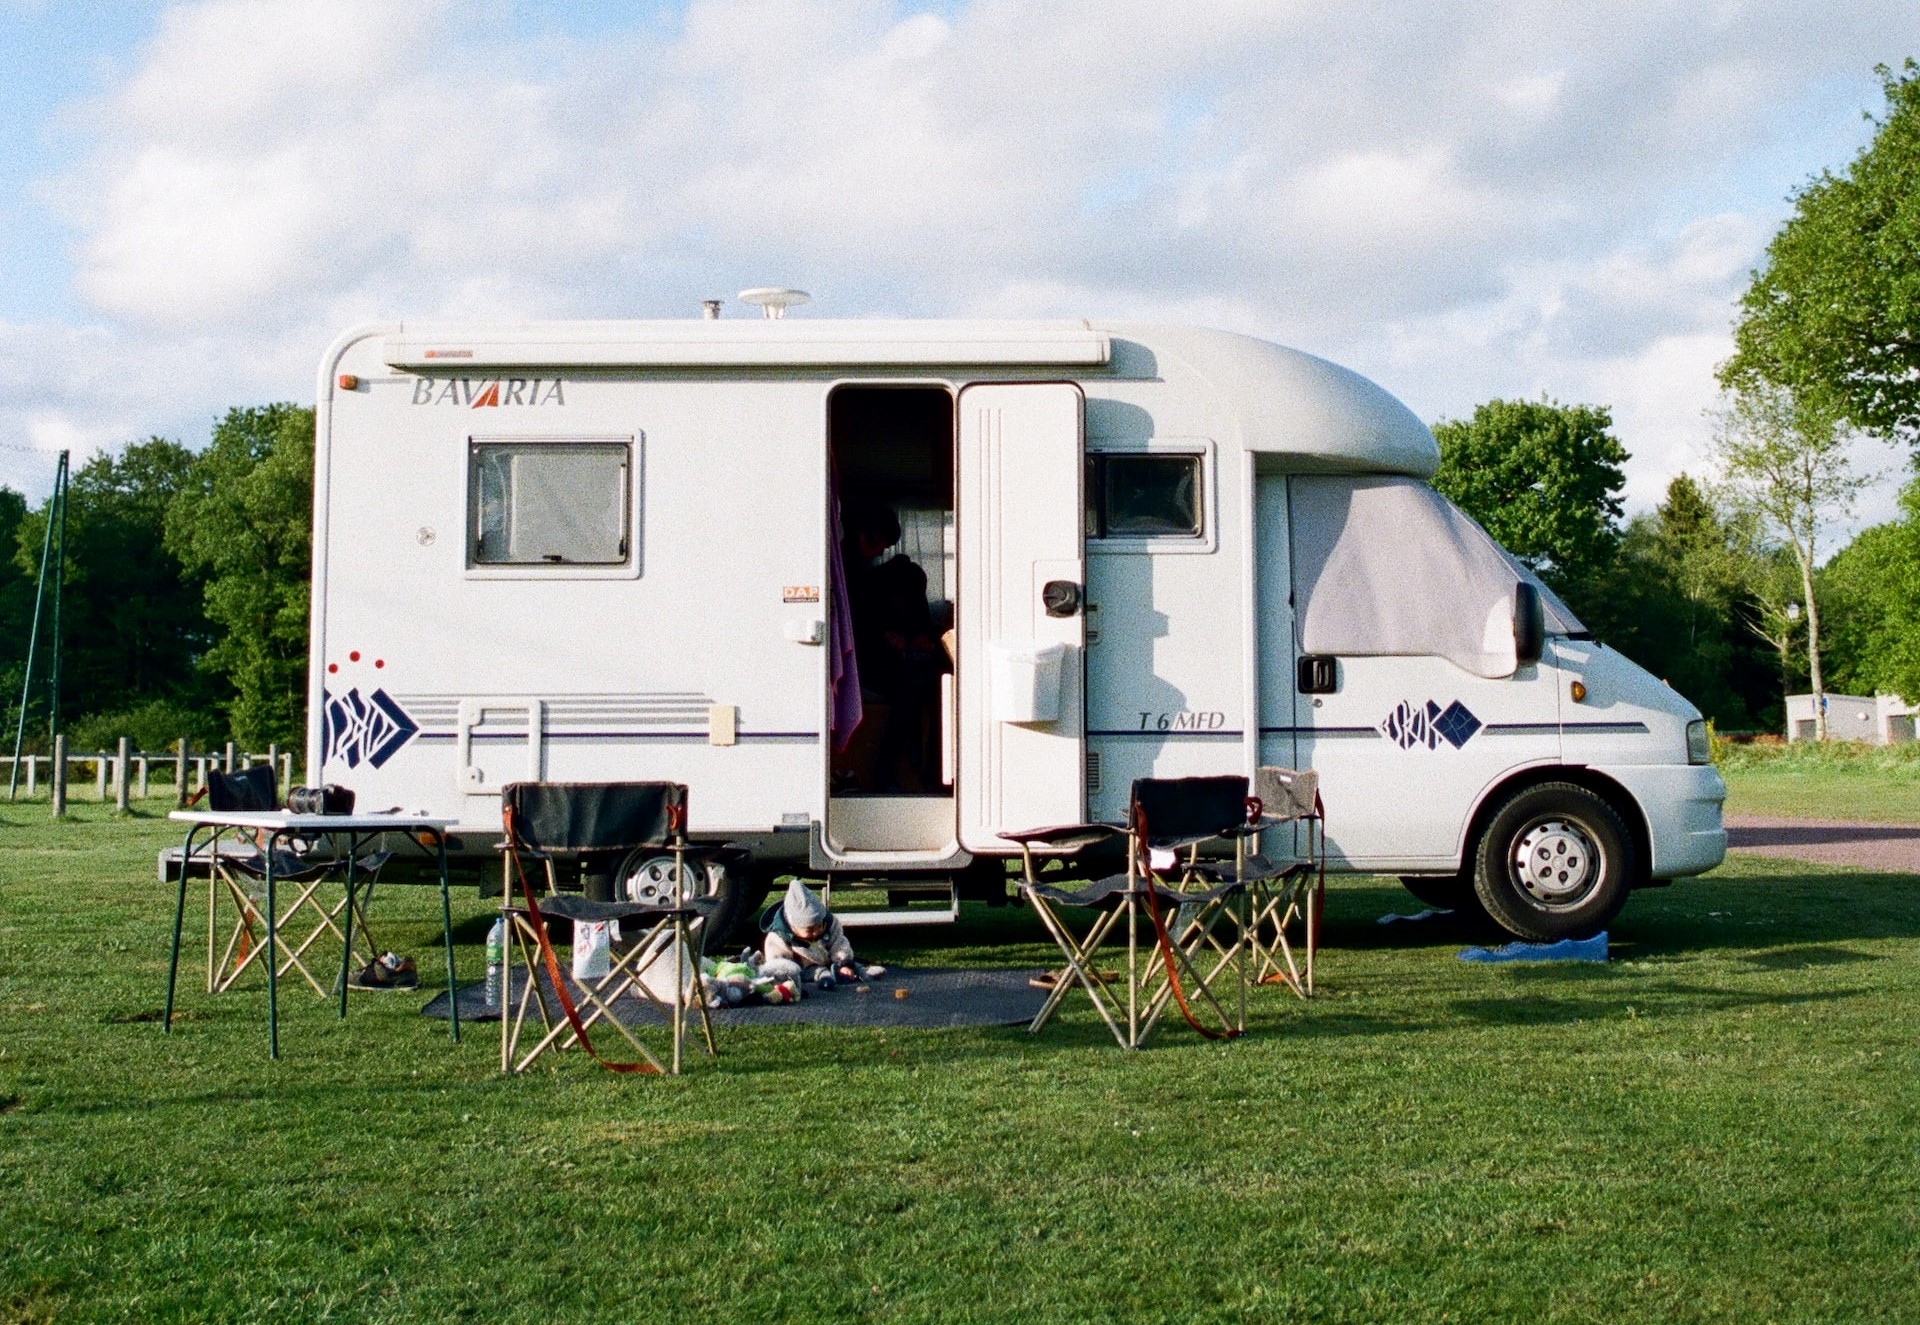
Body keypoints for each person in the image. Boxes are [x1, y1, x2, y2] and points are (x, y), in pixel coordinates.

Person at [761, 880, 882, 989]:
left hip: (832, 961)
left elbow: (839, 943)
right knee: (817, 971)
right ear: (793, 927)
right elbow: (778, 963)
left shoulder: (831, 924)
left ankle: (862, 972)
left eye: (819, 926)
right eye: (809, 930)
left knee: (851, 964)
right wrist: (785, 979)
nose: (815, 932)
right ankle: (826, 977)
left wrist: (843, 963)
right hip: (804, 969)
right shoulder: (778, 938)